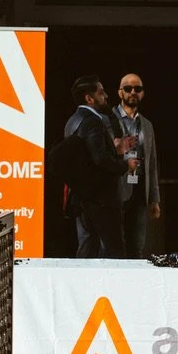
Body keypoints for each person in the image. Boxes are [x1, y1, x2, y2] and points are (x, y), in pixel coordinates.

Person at [59, 75, 132, 258]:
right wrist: (125, 165)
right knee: (113, 250)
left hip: (82, 197)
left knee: (87, 248)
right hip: (100, 199)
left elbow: (87, 157)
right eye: (101, 93)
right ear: (89, 98)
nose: (106, 96)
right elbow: (99, 159)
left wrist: (115, 150)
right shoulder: (93, 121)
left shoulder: (72, 121)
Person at [115, 73, 162, 256]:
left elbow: (152, 163)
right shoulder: (108, 120)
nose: (132, 92)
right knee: (114, 246)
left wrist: (154, 198)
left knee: (137, 247)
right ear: (120, 92)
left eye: (137, 89)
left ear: (142, 93)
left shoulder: (147, 125)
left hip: (139, 191)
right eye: (128, 88)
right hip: (115, 191)